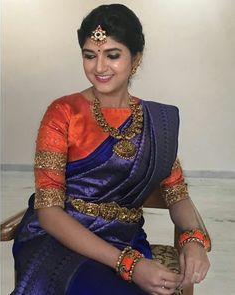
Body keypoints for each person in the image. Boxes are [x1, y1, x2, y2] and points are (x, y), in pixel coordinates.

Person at [11, 4, 211, 295]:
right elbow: (50, 213)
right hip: (58, 242)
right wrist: (130, 265)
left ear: (136, 59)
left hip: (124, 238)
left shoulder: (158, 123)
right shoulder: (63, 113)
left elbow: (176, 194)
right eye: (89, 56)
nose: (99, 67)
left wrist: (192, 239)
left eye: (113, 55)